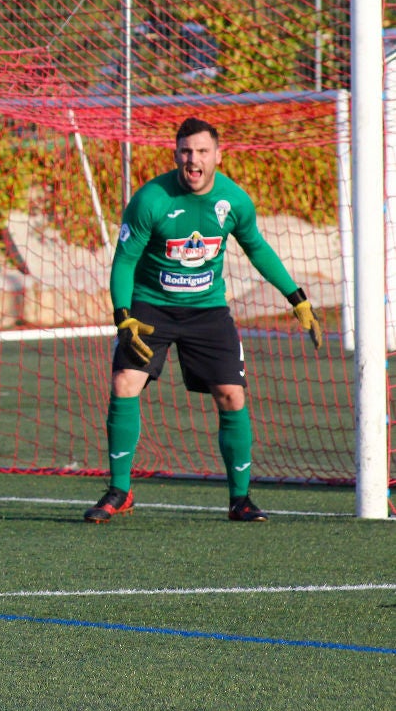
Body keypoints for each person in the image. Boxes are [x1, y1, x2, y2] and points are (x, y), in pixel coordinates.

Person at [88, 117, 323, 524]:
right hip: (150, 306)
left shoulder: (233, 201)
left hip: (208, 310)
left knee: (232, 394)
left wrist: (296, 298)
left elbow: (258, 249)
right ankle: (119, 490)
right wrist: (123, 317)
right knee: (125, 382)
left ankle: (240, 500)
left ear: (217, 154)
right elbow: (124, 260)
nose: (192, 161)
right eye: (185, 151)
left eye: (201, 152)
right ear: (175, 154)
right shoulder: (150, 200)